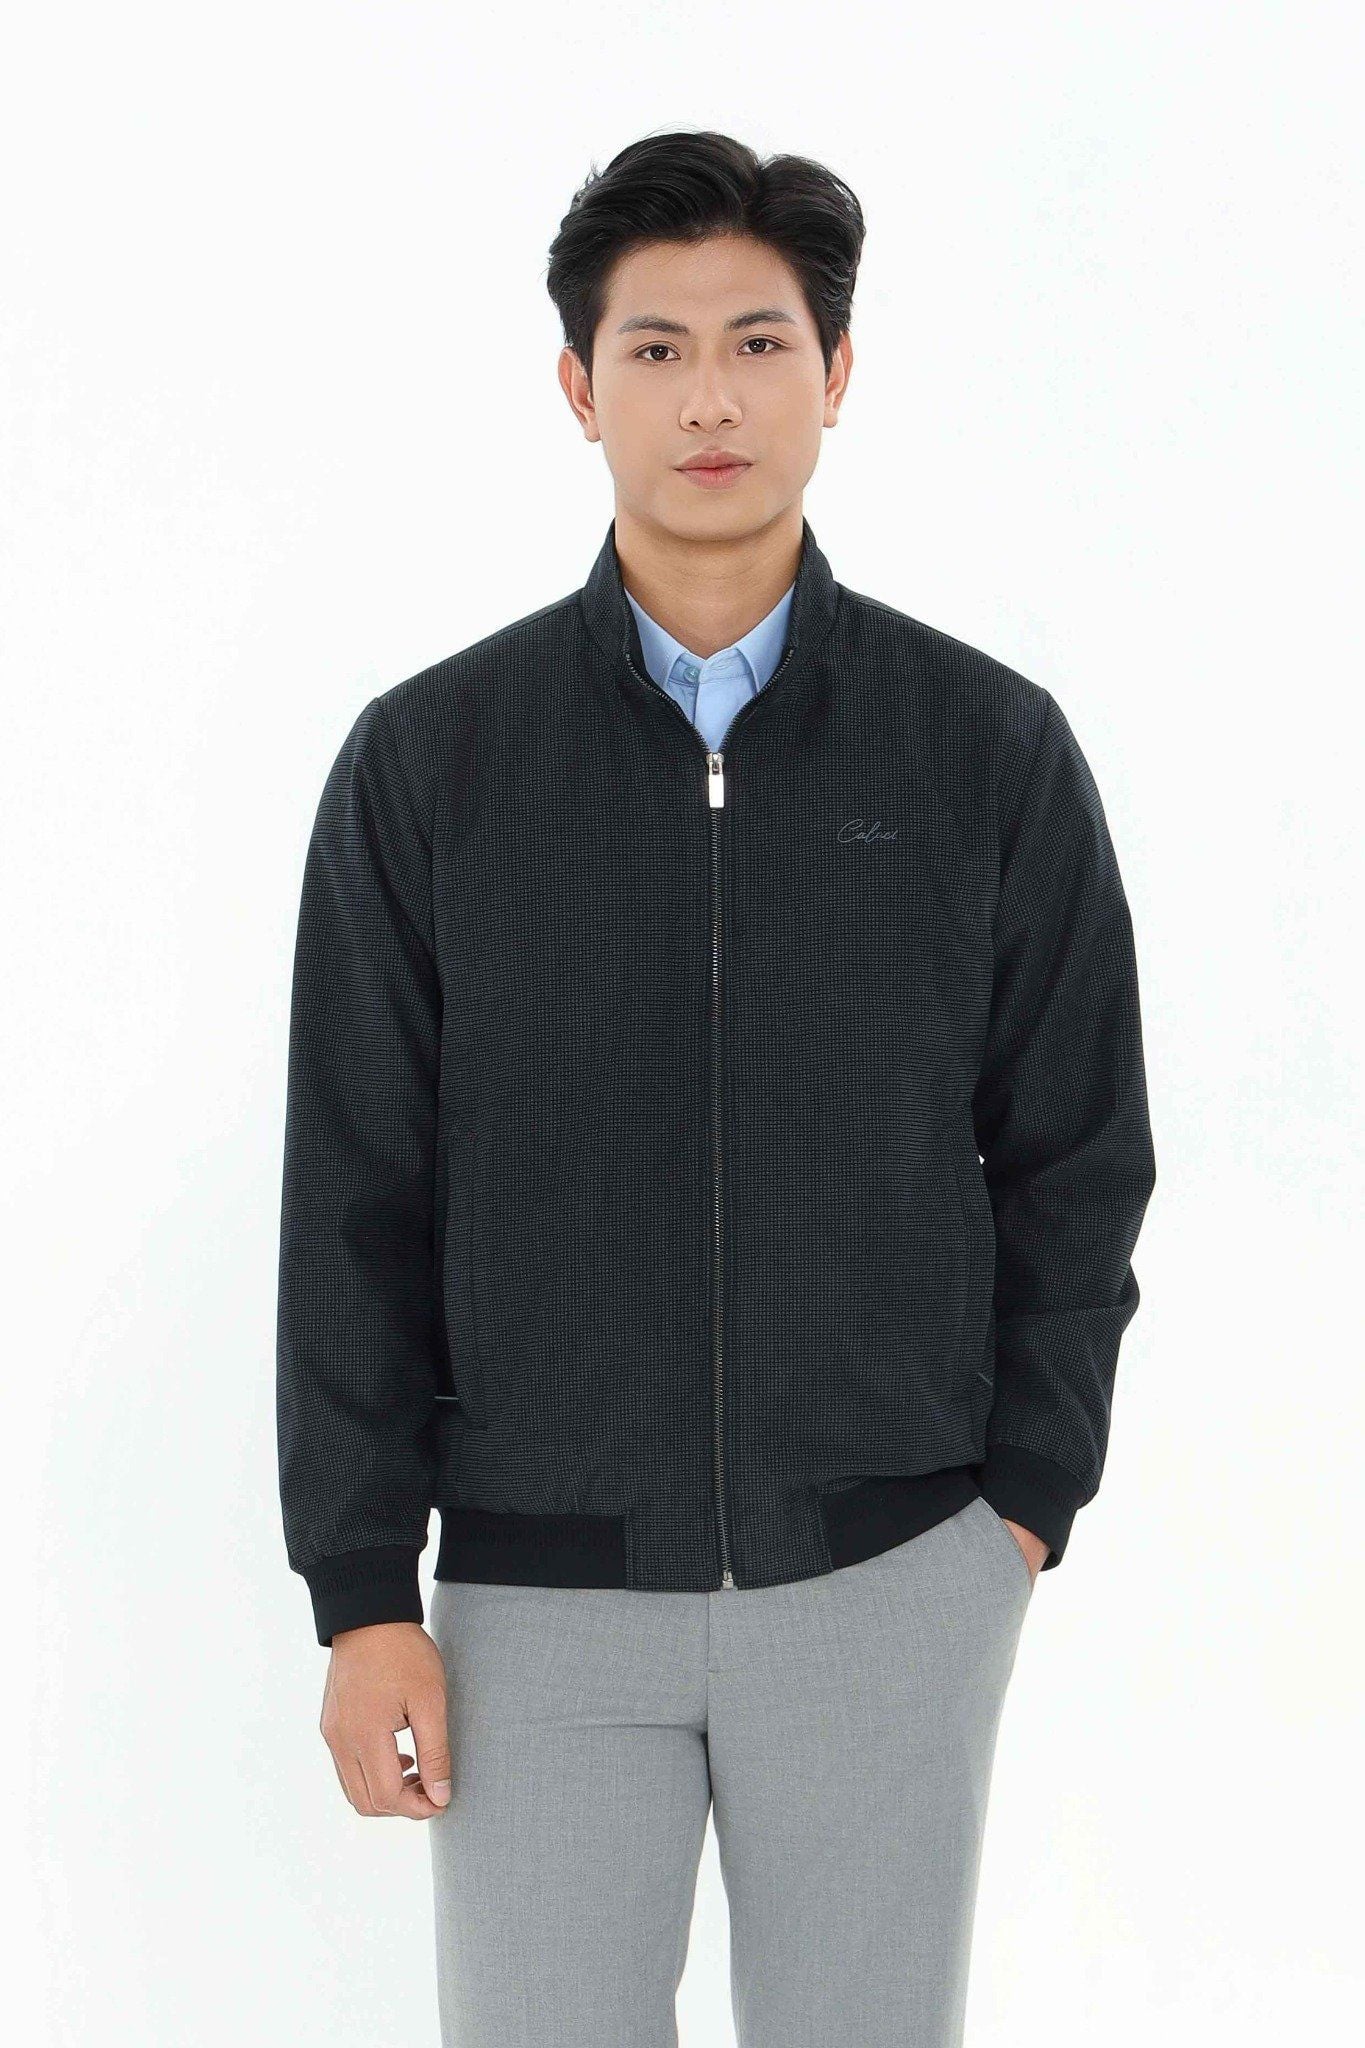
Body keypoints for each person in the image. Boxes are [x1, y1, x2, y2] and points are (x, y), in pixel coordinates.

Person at [276, 129, 1156, 2048]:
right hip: (534, 1604)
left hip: (888, 1581)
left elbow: (1076, 1152)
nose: (709, 400)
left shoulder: (982, 750)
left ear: (834, 375)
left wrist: (1019, 1502)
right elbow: (355, 1194)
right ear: (576, 386)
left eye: (758, 344)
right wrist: (360, 1588)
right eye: (655, 349)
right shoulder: (433, 763)